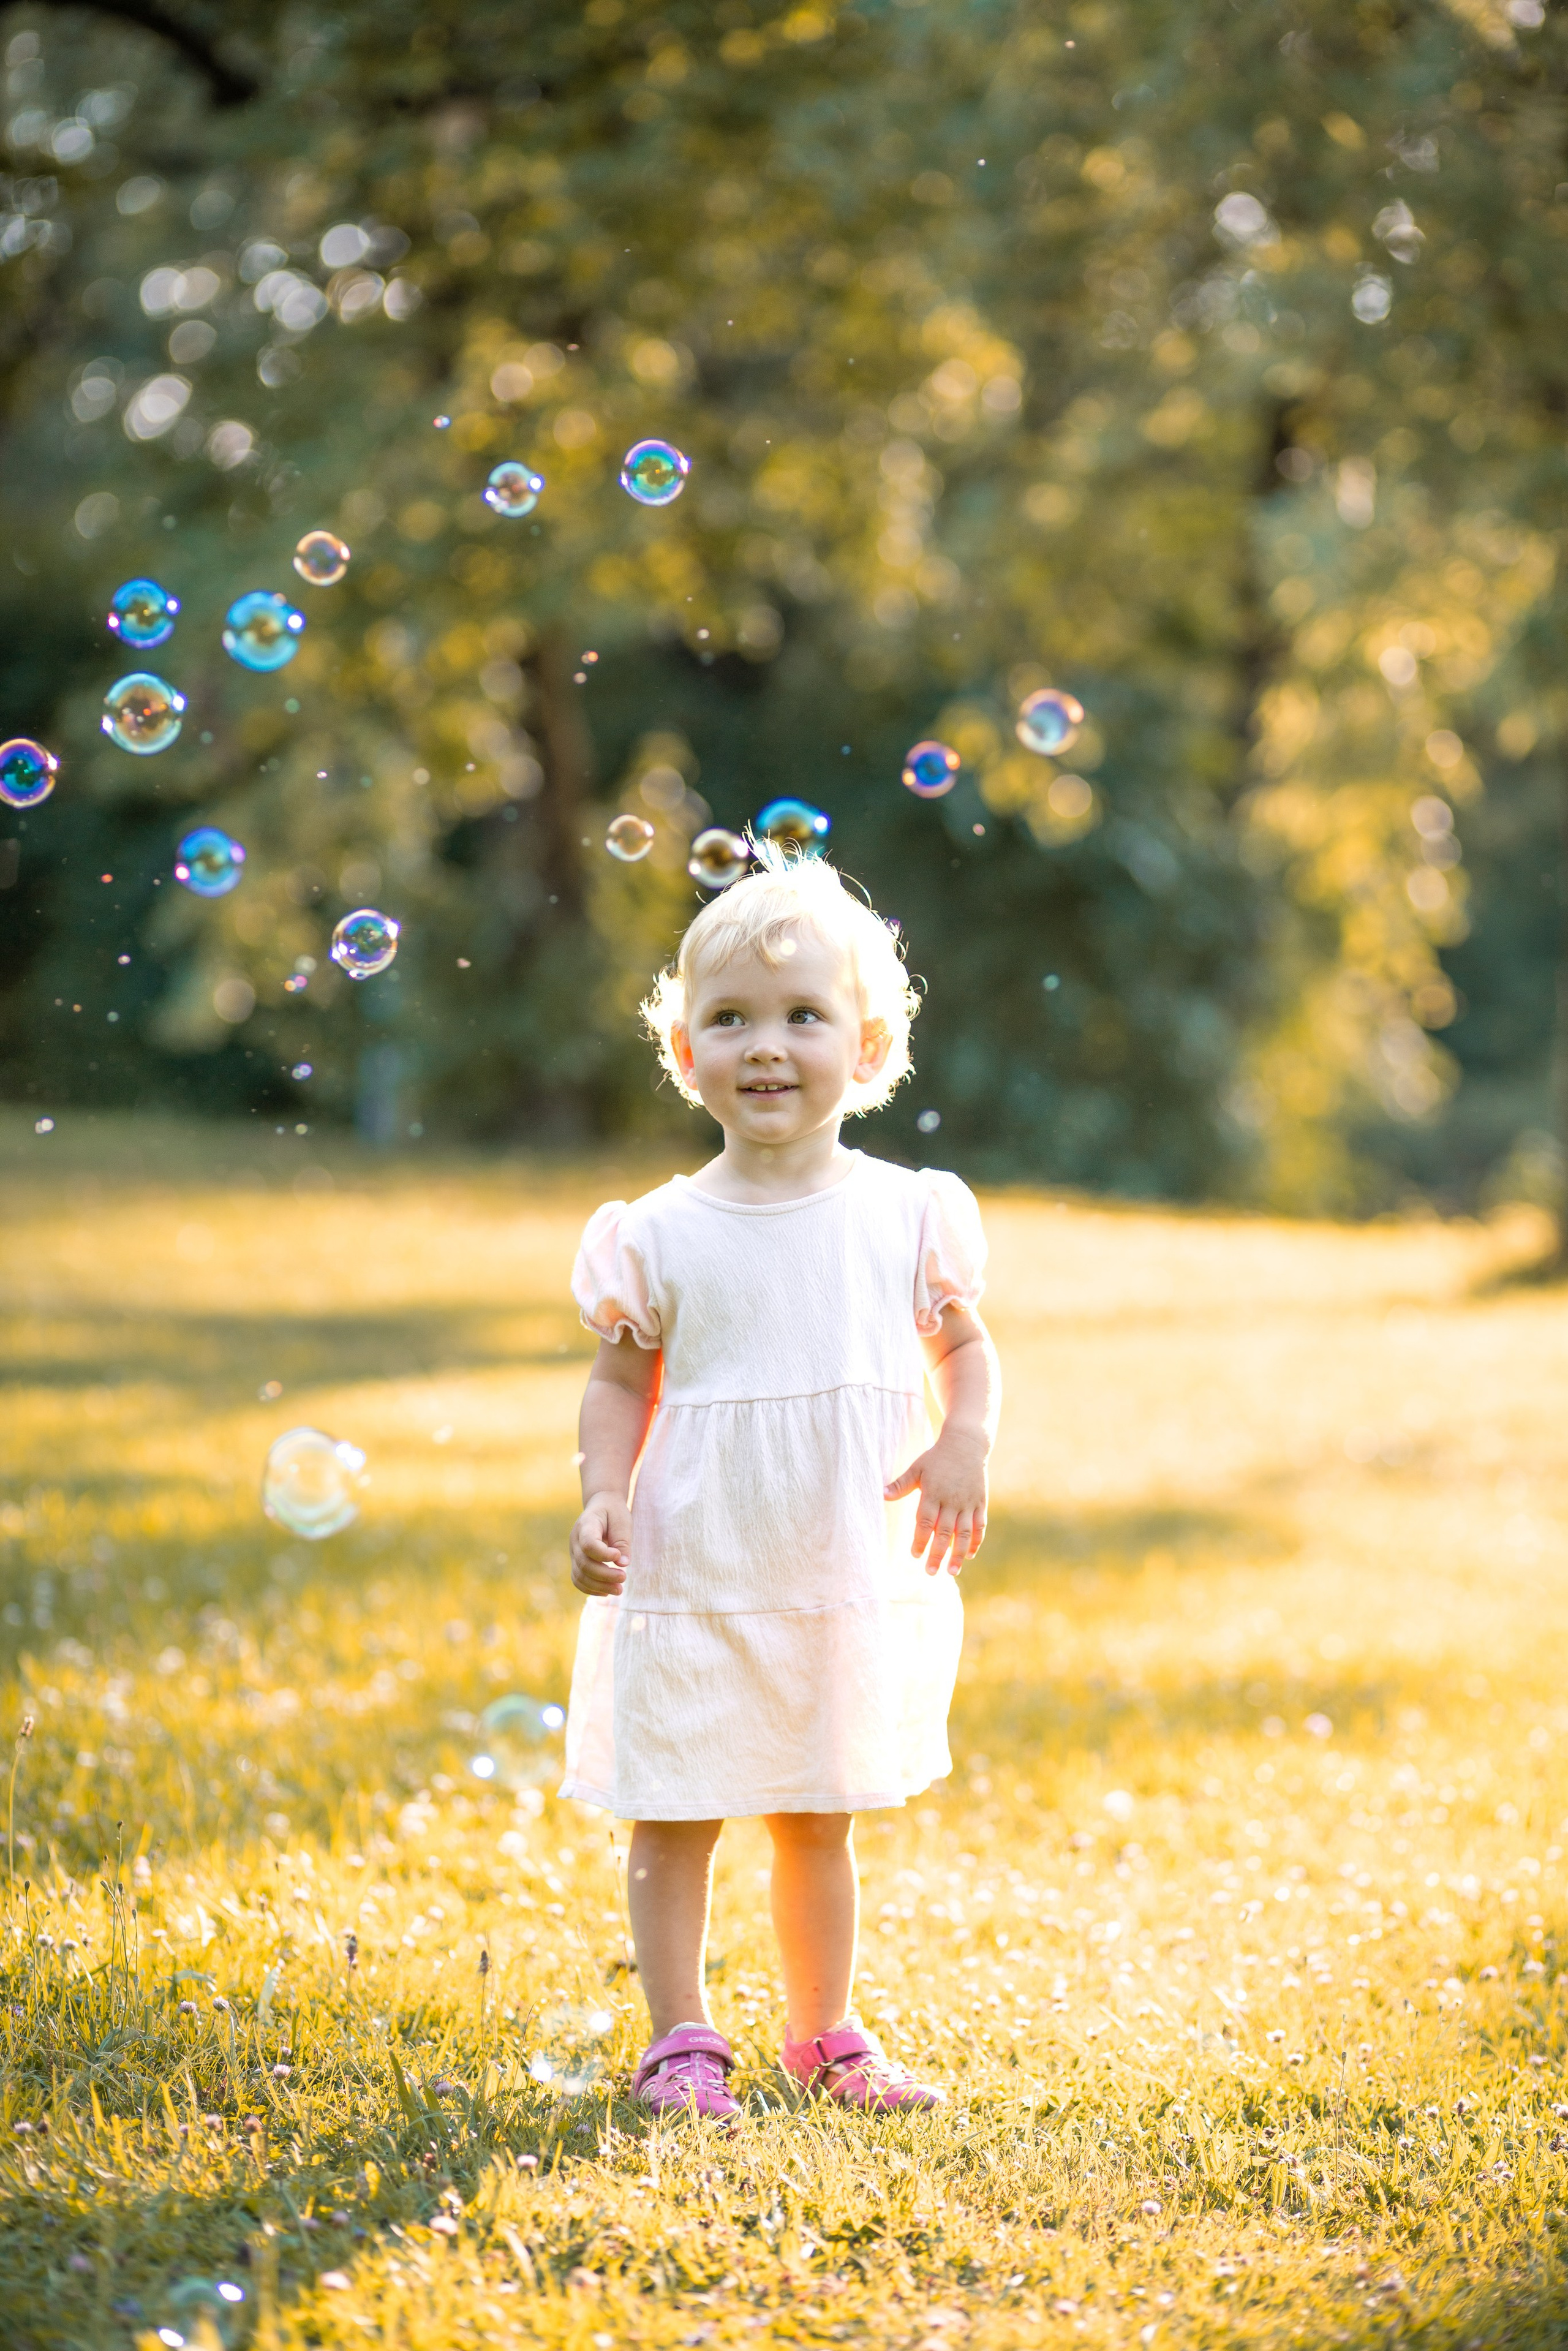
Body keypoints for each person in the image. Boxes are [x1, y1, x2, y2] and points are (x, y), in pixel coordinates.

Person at [562, 847, 1000, 2123]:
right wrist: (601, 1490)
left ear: (865, 1047)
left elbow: (965, 1346)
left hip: (833, 1567)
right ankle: (682, 2036)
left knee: (818, 1811)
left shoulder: (906, 1212)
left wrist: (965, 1435)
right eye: (731, 1018)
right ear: (685, 1049)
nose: (766, 1044)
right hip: (696, 1562)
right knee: (678, 1801)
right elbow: (614, 1382)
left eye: (803, 1015)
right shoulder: (656, 1231)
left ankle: (824, 2032)